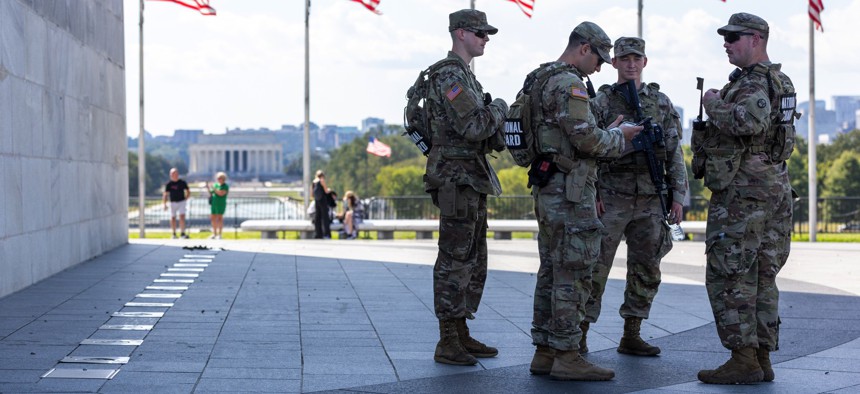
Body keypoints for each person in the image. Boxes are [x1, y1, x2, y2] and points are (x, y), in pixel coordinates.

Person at [525, 22, 642, 381]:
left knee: (551, 268)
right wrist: (618, 137)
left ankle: (545, 351)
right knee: (573, 271)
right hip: (571, 190)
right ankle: (567, 354)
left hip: (549, 185)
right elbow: (586, 140)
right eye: (600, 58)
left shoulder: (539, 77)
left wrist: (605, 130)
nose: (601, 67)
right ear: (584, 48)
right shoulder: (570, 84)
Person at [694, 13, 796, 384]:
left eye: (733, 37)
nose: (726, 42)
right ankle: (760, 356)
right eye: (725, 36)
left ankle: (743, 358)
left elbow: (748, 123)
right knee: (762, 276)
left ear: (756, 39)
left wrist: (713, 104)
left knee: (730, 273)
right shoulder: (779, 80)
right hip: (773, 188)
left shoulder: (753, 83)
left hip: (743, 195)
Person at [581, 37, 688, 357]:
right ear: (613, 63)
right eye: (624, 58)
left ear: (645, 62)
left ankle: (632, 332)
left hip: (650, 198)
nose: (630, 64)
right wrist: (594, 192)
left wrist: (678, 196)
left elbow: (674, 153)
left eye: (636, 58)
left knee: (647, 267)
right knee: (594, 268)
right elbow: (587, 148)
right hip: (612, 194)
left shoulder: (661, 102)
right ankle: (579, 333)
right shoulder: (601, 103)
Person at [422, 9, 509, 366]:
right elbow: (476, 126)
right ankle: (447, 339)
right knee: (455, 258)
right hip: (456, 178)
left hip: (469, 176)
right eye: (480, 33)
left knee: (473, 257)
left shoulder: (464, 76)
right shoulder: (451, 76)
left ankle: (460, 331)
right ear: (460, 34)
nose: (485, 39)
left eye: (487, 34)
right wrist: (501, 108)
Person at [162, 168, 191, 239]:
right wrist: (165, 204)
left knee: (182, 217)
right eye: (172, 174)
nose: (173, 175)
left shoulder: (182, 182)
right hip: (173, 202)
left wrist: (186, 198)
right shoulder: (169, 184)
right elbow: (165, 194)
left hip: (181, 201)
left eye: (175, 173)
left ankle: (182, 233)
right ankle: (174, 233)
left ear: (177, 174)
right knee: (173, 217)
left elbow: (188, 191)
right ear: (170, 175)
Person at [208, 172, 229, 240]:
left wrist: (214, 189)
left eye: (220, 178)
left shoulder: (225, 186)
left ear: (223, 179)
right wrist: (208, 187)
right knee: (213, 218)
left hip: (221, 204)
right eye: (217, 178)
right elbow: (211, 192)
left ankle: (220, 234)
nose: (218, 179)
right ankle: (214, 233)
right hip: (214, 203)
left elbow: (221, 193)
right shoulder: (216, 185)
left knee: (220, 218)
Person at [312, 170, 332, 239]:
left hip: (317, 200)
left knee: (317, 217)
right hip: (323, 200)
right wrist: (329, 190)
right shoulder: (321, 180)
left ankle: (318, 234)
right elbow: (326, 191)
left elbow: (311, 194)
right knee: (325, 217)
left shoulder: (314, 182)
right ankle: (327, 234)